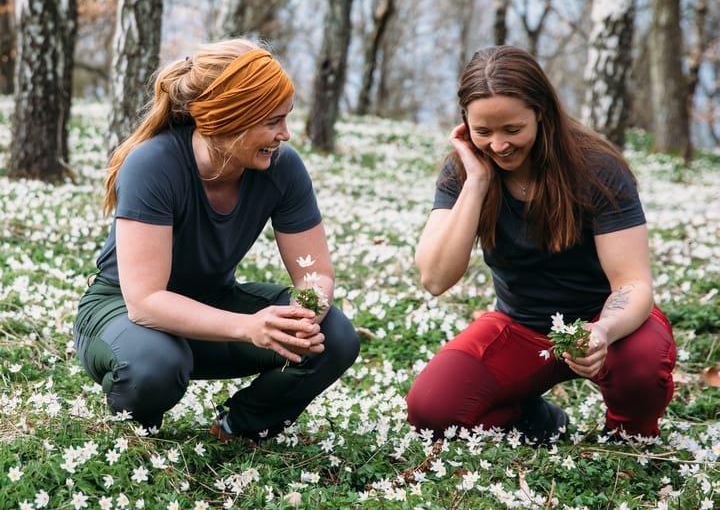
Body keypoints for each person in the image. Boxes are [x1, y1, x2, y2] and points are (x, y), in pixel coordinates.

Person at [73, 38, 360, 440]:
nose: (286, 135)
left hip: (214, 305)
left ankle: (239, 426)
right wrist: (248, 327)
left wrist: (305, 313)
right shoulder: (153, 165)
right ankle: (137, 436)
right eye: (273, 121)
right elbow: (145, 302)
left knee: (335, 335)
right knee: (154, 364)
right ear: (229, 119)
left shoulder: (283, 169)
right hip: (123, 312)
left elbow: (314, 273)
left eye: (286, 118)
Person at [406, 45, 676, 444]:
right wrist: (477, 182)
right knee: (432, 410)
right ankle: (535, 419)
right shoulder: (463, 172)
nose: (498, 145)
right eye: (483, 131)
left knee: (642, 364)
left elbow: (632, 283)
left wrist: (601, 331)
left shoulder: (597, 168)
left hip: (607, 323)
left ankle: (628, 436)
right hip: (520, 326)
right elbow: (434, 277)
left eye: (512, 130)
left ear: (542, 113)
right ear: (465, 123)